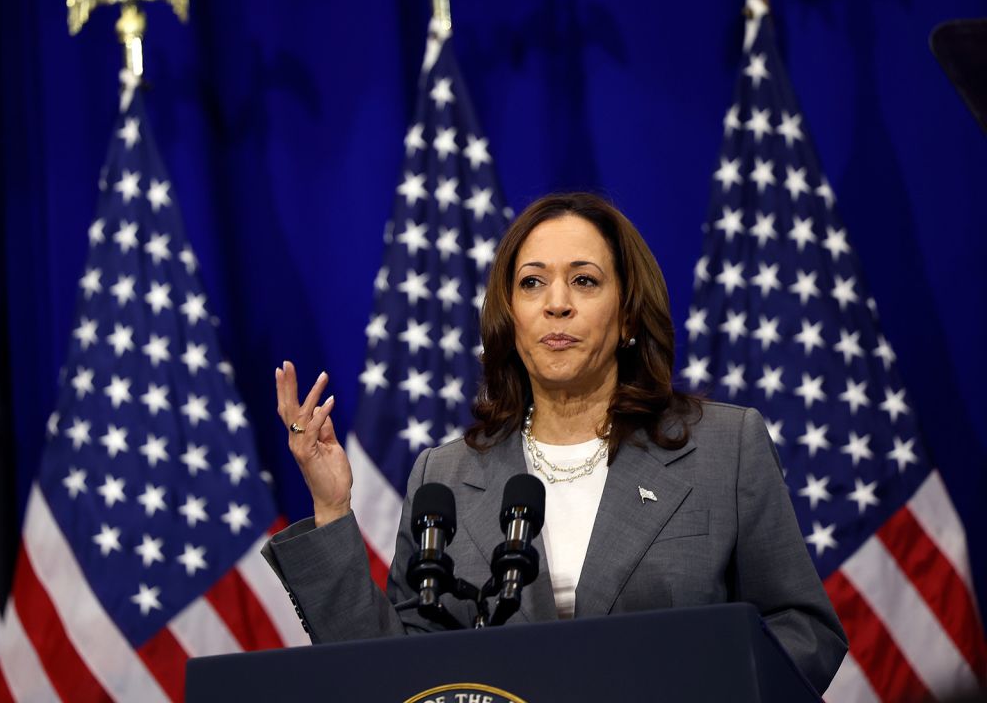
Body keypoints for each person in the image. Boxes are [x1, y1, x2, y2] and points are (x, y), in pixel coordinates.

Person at [264, 192, 847, 693]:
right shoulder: (443, 476)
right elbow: (391, 675)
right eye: (532, 282)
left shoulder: (724, 447)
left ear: (626, 317)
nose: (556, 301)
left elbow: (803, 631)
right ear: (510, 317)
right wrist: (333, 508)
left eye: (585, 281)